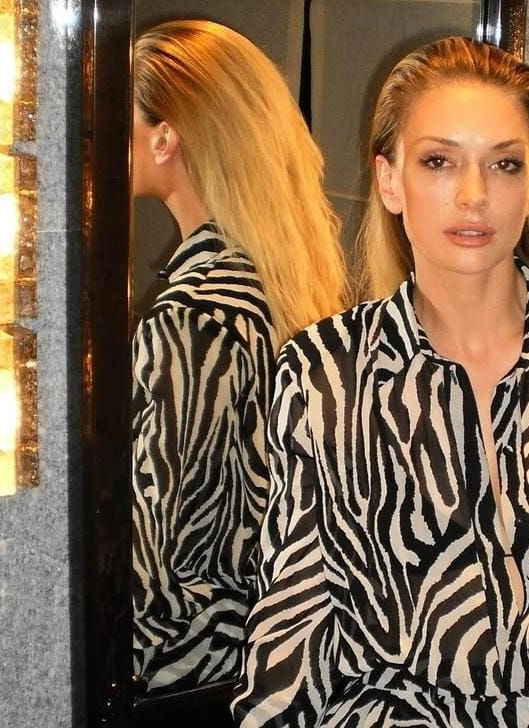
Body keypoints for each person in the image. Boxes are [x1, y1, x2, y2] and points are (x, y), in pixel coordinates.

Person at [234, 36, 529, 726]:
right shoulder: (325, 371)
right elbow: (290, 631)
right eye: (439, 161)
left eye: (504, 164)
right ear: (390, 180)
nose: (474, 195)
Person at [130, 19, 347, 694]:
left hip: (182, 677)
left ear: (165, 136)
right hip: (271, 665)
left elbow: (152, 550)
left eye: (119, 119)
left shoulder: (192, 320)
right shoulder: (279, 289)